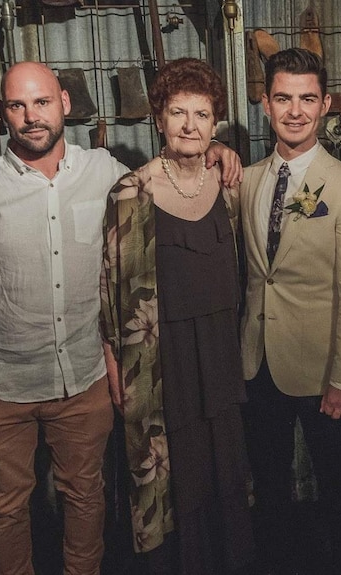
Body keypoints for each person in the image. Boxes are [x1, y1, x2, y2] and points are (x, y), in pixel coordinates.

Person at [0, 61, 241, 575]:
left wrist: (215, 150)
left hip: (84, 378)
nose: (32, 117)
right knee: (5, 509)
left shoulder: (107, 173)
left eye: (42, 102)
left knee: (86, 497)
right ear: (2, 112)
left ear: (64, 105)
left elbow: (171, 169)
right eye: (17, 105)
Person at [100, 57, 254, 575]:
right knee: (175, 477)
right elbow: (110, 287)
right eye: (178, 112)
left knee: (225, 470)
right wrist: (113, 361)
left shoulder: (227, 183)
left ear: (215, 125)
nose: (190, 125)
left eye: (203, 114)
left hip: (221, 352)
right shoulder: (131, 192)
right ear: (159, 120)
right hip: (163, 362)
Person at [239, 48, 341, 575]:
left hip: (324, 373)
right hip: (257, 364)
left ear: (326, 106)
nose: (295, 110)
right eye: (283, 98)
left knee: (339, 491)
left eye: (307, 99)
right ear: (266, 104)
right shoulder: (245, 180)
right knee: (269, 490)